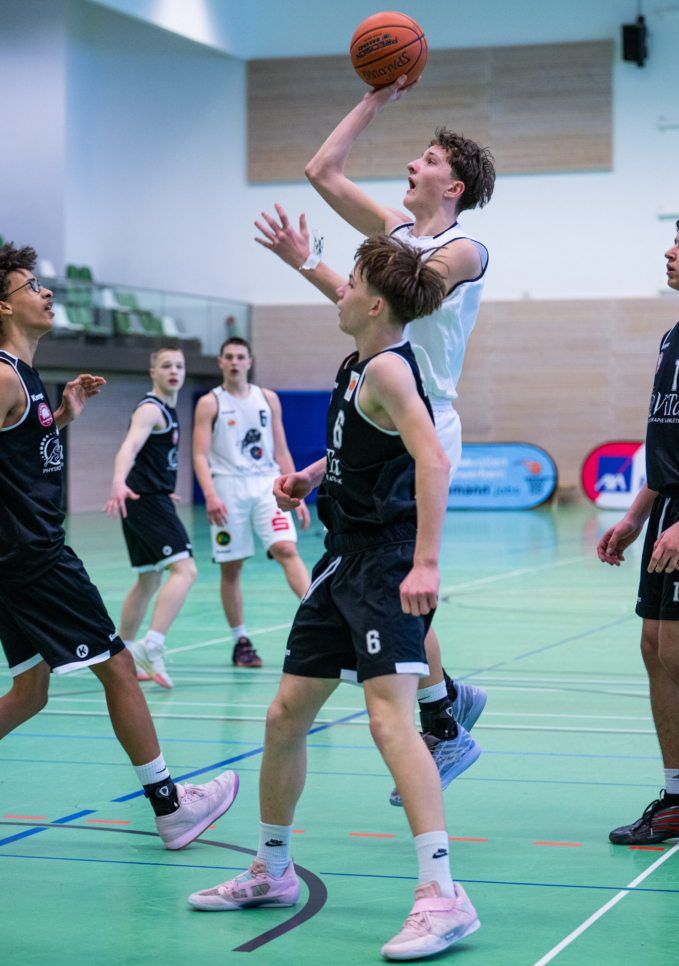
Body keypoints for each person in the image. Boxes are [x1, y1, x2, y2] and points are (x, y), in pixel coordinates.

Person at [188, 235, 481, 960]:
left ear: (375, 304)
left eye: (349, 282)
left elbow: (432, 459)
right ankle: (273, 869)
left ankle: (443, 895)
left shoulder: (389, 368)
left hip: (385, 563)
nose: (339, 292)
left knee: (390, 722)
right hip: (342, 559)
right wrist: (313, 476)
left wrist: (425, 564)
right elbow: (369, 444)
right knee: (285, 713)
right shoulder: (358, 365)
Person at [253, 79, 495, 804]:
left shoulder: (464, 250)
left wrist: (309, 264)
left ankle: (442, 719)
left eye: (427, 160)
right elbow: (321, 172)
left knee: (397, 578)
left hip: (426, 413)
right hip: (378, 400)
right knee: (379, 577)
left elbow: (397, 301)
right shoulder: (394, 232)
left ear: (453, 185)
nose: (412, 165)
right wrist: (373, 99)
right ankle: (447, 704)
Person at [0, 243, 238, 849]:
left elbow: (14, 450)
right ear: (3, 306)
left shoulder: (24, 377)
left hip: (19, 558)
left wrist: (62, 415)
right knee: (121, 668)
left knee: (30, 693)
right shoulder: (1, 375)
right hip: (34, 557)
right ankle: (171, 807)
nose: (46, 292)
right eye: (30, 286)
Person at [598, 217, 679, 845]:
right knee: (655, 647)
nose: (670, 251)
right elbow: (669, 438)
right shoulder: (674, 334)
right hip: (667, 507)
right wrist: (636, 514)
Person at [193, 337, 311, 668]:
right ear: (221, 362)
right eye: (229, 357)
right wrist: (210, 494)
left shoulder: (268, 398)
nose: (234, 362)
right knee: (232, 567)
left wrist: (296, 490)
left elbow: (281, 449)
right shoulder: (210, 403)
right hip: (227, 488)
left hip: (267, 485)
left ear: (249, 361)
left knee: (287, 549)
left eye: (240, 356)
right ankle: (241, 641)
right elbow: (199, 455)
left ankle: (319, 616)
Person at [104, 346, 196, 690]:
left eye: (179, 366)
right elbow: (129, 447)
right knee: (186, 570)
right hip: (144, 501)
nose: (174, 371)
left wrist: (161, 486)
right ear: (153, 372)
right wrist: (118, 480)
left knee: (148, 580)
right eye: (166, 365)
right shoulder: (151, 409)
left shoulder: (168, 410)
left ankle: (123, 654)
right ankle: (151, 645)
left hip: (149, 498)